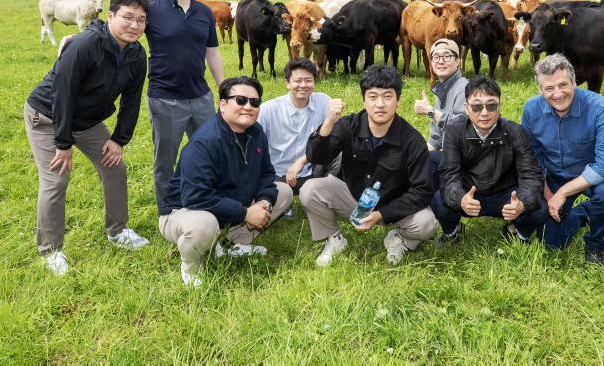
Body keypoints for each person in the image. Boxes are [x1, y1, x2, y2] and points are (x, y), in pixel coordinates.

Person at [25, 0, 151, 275]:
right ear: (110, 15)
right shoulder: (84, 44)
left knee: (115, 167)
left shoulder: (136, 55)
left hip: (88, 120)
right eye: (128, 17)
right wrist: (63, 142)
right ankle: (51, 250)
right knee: (57, 178)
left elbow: (132, 101)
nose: (134, 25)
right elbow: (63, 94)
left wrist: (119, 140)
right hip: (47, 116)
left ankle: (117, 231)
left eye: (141, 20)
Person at [158, 76, 292, 286]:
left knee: (283, 192)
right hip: (183, 211)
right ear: (223, 104)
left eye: (254, 102)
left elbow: (267, 173)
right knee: (204, 224)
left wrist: (263, 202)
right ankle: (191, 266)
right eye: (240, 100)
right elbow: (196, 197)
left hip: (228, 203)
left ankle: (234, 244)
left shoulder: (256, 133)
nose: (248, 106)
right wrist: (247, 213)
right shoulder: (205, 141)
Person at [300, 64, 436, 267]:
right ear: (364, 99)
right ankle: (335, 239)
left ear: (398, 100)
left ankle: (399, 239)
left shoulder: (412, 140)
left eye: (388, 96)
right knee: (310, 189)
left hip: (393, 206)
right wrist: (328, 122)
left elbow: (422, 190)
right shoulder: (348, 125)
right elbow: (317, 155)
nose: (380, 104)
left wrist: (382, 214)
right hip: (353, 199)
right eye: (373, 97)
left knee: (427, 224)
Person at [520, 54, 604, 265]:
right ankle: (584, 213)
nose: (557, 93)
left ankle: (595, 247)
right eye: (549, 88)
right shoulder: (531, 109)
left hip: (591, 174)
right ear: (540, 90)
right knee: (552, 242)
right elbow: (533, 158)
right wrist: (550, 197)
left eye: (563, 85)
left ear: (574, 82)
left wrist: (563, 192)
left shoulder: (601, 108)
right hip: (554, 176)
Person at [147, 0, 224, 215]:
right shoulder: (151, 9)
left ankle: (209, 206)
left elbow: (211, 52)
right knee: (165, 162)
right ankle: (168, 214)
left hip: (201, 98)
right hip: (165, 99)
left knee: (210, 154)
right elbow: (123, 27)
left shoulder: (204, 11)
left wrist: (223, 88)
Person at [432, 76, 547, 245]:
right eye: (477, 106)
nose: (484, 112)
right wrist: (460, 199)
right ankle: (453, 231)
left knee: (539, 209)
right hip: (469, 191)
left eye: (491, 105)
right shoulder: (454, 131)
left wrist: (521, 203)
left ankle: (517, 231)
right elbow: (449, 174)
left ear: (500, 106)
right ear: (466, 108)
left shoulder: (515, 132)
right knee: (439, 201)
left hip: (506, 193)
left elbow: (531, 175)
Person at [257, 58, 331, 216]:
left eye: (308, 80)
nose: (303, 85)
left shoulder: (323, 102)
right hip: (279, 174)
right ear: (287, 83)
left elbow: (335, 138)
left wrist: (302, 160)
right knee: (276, 197)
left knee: (341, 152)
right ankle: (283, 200)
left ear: (314, 82)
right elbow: (252, 144)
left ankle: (325, 194)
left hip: (313, 171)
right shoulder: (268, 110)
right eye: (298, 80)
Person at [413, 39, 468, 187]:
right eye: (436, 57)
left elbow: (461, 127)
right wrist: (414, 154)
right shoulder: (443, 89)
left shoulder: (464, 88)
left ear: (458, 61)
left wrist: (431, 111)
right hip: (446, 153)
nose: (440, 61)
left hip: (464, 157)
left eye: (447, 56)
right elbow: (436, 140)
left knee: (425, 164)